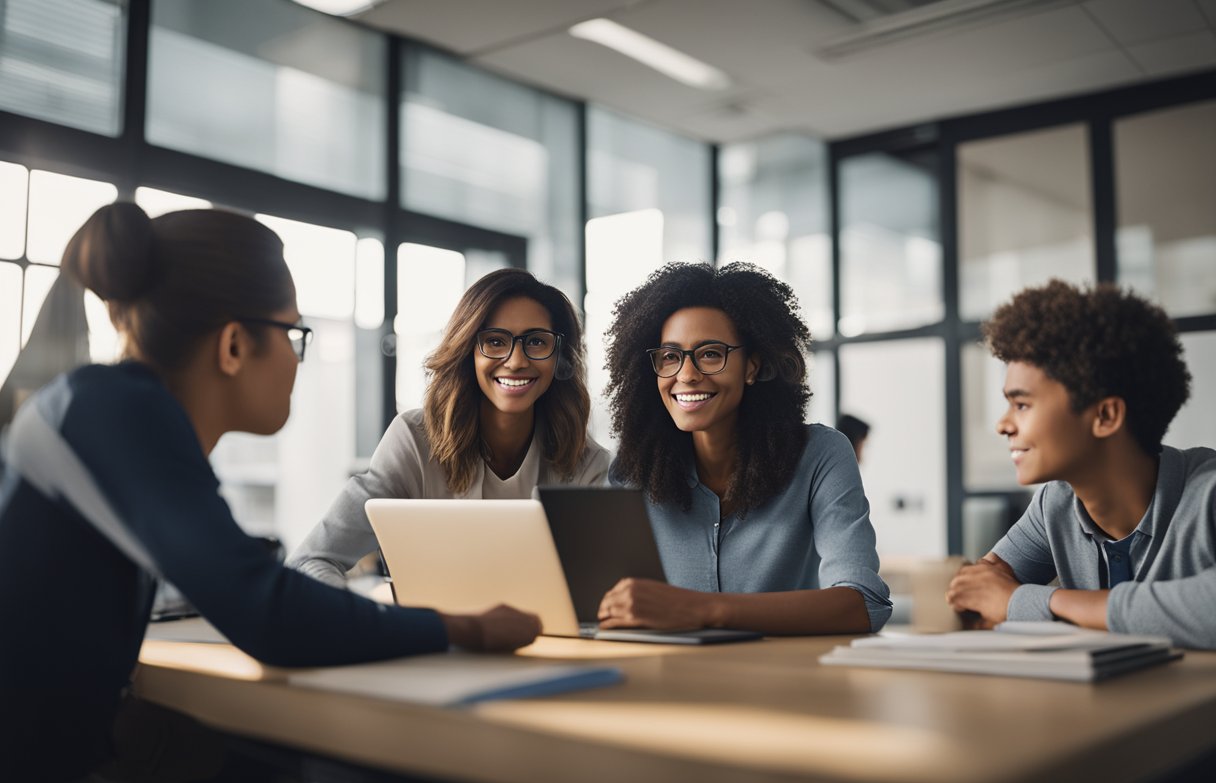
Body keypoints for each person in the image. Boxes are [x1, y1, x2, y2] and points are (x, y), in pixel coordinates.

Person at [0, 204, 541, 783]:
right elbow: (268, 612)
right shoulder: (119, 413)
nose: (294, 357)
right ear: (234, 344)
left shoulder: (108, 407)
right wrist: (460, 629)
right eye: (293, 333)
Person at [599, 261, 891, 635]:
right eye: (670, 357)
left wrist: (703, 609)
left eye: (710, 353)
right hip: (667, 682)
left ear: (752, 366)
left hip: (791, 685)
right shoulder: (632, 469)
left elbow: (863, 602)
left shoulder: (820, 455)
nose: (686, 374)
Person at [288, 268, 611, 587]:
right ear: (467, 350)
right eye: (495, 341)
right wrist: (365, 622)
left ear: (560, 356)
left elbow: (597, 587)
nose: (516, 361)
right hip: (432, 637)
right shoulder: (414, 440)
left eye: (537, 342)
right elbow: (310, 561)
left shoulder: (587, 464)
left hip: (546, 637)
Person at [946, 279, 1214, 650]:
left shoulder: (1208, 494)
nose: (1002, 424)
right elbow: (981, 591)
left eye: (1021, 404)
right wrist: (988, 595)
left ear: (1105, 415)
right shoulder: (1055, 503)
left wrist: (1027, 602)